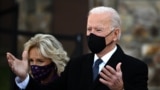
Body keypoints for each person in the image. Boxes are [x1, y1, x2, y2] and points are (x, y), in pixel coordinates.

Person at [6, 6, 148, 90]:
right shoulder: (76, 65)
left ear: (115, 34)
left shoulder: (135, 67)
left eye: (98, 30)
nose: (91, 34)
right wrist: (24, 77)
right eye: (89, 29)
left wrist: (120, 89)